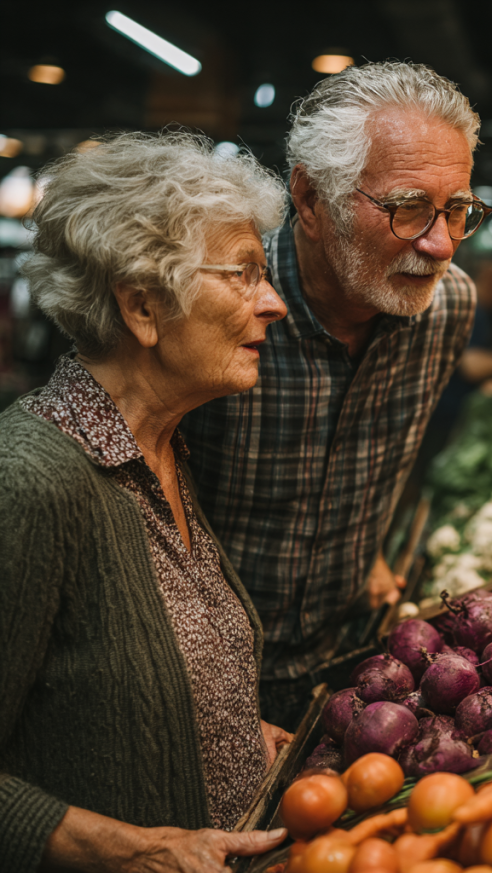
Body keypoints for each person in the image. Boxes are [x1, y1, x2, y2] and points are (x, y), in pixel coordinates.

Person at [0, 132, 294, 873]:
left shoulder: (160, 449)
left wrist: (225, 728)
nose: (275, 303)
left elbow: (105, 690)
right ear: (141, 306)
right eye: (244, 274)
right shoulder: (29, 480)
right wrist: (136, 850)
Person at [182, 61, 488, 730]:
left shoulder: (445, 309)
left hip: (352, 662)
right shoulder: (217, 305)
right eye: (407, 208)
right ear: (311, 200)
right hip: (198, 682)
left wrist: (362, 543)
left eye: (458, 209)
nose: (439, 245)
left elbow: (374, 459)